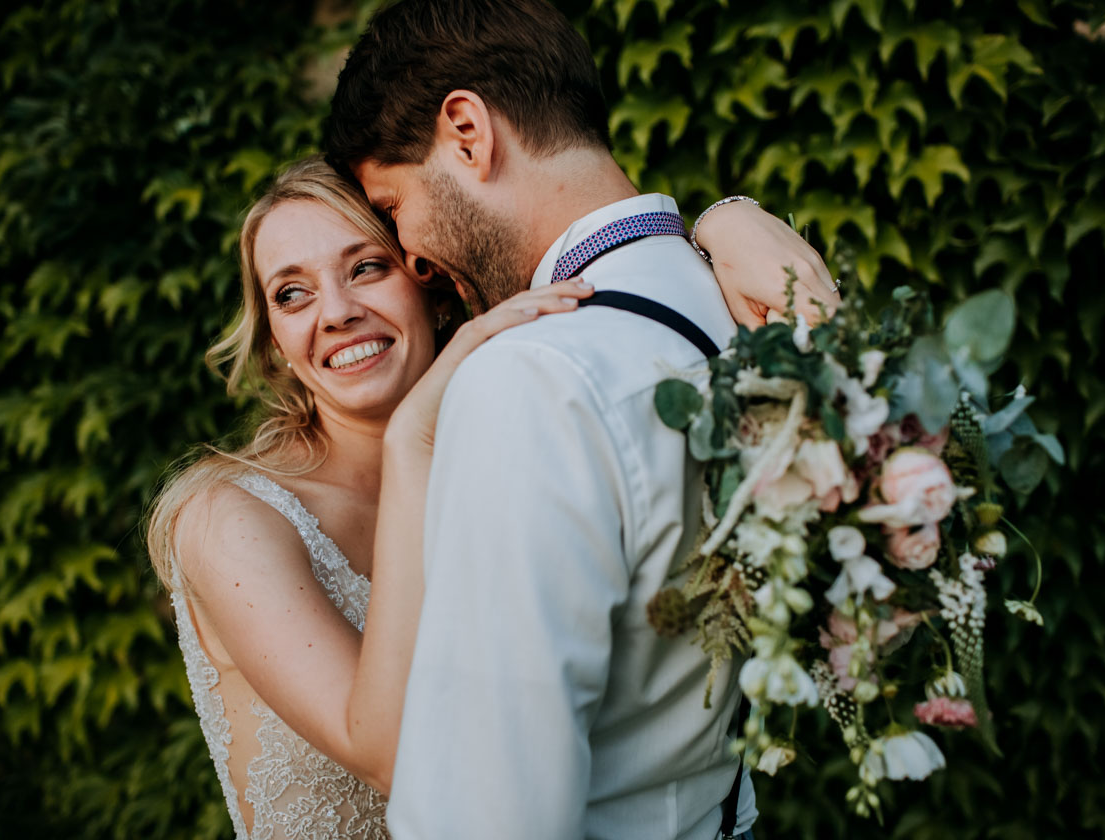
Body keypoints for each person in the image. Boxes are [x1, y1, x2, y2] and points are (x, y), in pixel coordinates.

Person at [147, 157, 832, 838]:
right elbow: (388, 755)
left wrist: (724, 222)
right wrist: (409, 439)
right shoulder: (229, 519)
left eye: (366, 268)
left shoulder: (512, 441)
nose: (337, 313)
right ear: (274, 343)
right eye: (291, 294)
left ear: (431, 286)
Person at [322, 1, 837, 838]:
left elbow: (490, 813)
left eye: (394, 204)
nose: (411, 257)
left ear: (466, 130)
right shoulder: (748, 308)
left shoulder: (530, 381)